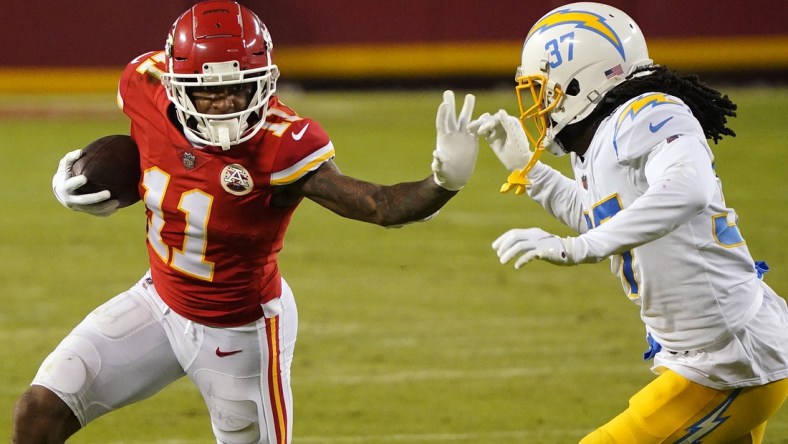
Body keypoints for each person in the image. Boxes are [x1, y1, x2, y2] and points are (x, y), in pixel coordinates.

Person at [11, 1, 478, 443]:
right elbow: (148, 157)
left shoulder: (283, 144)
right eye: (209, 91)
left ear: (265, 81)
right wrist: (72, 181)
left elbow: (378, 206)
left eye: (240, 87)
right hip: (158, 302)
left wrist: (442, 183)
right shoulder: (144, 84)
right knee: (38, 412)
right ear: (175, 82)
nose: (226, 103)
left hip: (240, 335)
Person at [470, 2, 788, 442]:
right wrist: (534, 173)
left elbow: (689, 187)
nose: (540, 104)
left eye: (544, 89)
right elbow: (600, 214)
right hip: (717, 356)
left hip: (729, 363)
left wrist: (580, 248)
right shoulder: (604, 136)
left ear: (578, 81)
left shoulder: (648, 114)